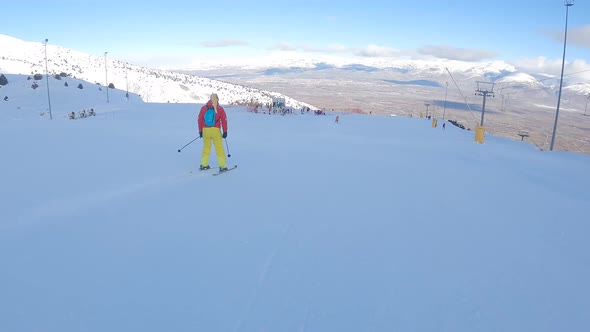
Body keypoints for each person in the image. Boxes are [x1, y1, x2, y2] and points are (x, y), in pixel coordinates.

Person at [198, 93, 228, 172]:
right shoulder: (220, 109)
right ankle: (222, 166)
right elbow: (224, 121)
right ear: (217, 99)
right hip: (216, 131)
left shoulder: (203, 108)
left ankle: (204, 164)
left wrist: (200, 131)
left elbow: (200, 120)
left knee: (206, 147)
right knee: (219, 148)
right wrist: (225, 131)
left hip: (205, 130)